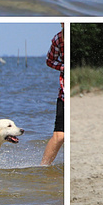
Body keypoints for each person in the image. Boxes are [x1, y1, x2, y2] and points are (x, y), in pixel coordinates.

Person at [43, 23, 65, 165]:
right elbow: (50, 61)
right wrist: (64, 67)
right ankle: (43, 167)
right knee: (59, 136)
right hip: (64, 95)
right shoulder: (58, 38)